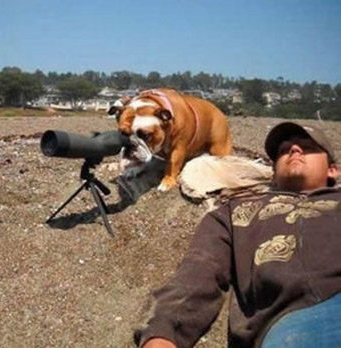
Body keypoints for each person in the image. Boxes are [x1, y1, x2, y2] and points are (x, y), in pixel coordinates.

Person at [134, 121, 340, 348]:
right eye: (283, 151)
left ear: (333, 170)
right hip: (290, 322)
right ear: (272, 174)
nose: (293, 150)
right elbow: (197, 274)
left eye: (307, 147)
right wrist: (162, 334)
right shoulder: (235, 212)